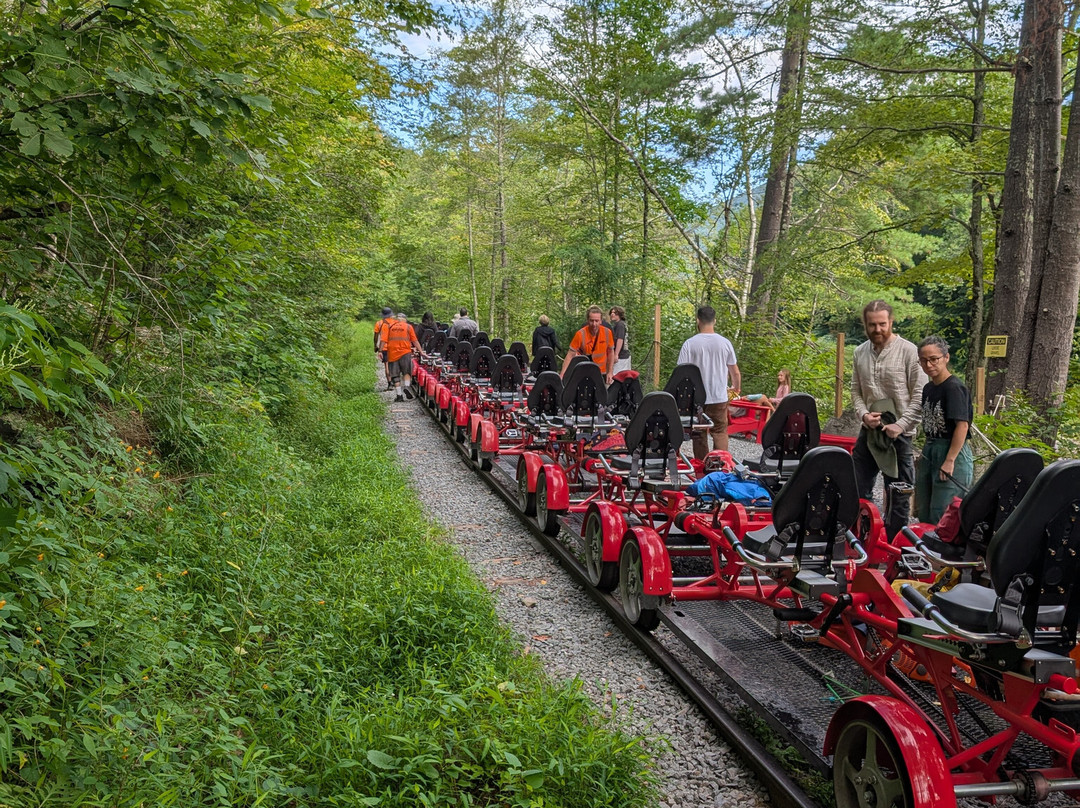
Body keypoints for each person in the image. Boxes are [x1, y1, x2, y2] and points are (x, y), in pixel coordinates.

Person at [850, 300, 927, 540]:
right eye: (872, 325)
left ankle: (895, 546)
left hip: (900, 435)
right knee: (857, 488)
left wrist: (901, 425)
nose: (878, 329)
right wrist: (864, 415)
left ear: (891, 322)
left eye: (882, 324)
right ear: (865, 325)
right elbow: (855, 391)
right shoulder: (859, 352)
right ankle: (862, 540)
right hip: (869, 432)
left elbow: (920, 395)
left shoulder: (909, 351)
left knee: (899, 495)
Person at [914, 336, 973, 524]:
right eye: (923, 360)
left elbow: (962, 425)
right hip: (931, 448)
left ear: (946, 357)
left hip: (951, 450)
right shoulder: (928, 388)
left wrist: (950, 460)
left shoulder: (954, 388)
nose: (929, 364)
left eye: (934, 359)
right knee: (924, 508)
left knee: (942, 512)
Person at [677, 306, 741, 458]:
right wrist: (736, 388)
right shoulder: (725, 343)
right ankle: (721, 464)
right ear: (715, 321)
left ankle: (701, 466)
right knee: (720, 431)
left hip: (696, 398)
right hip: (718, 396)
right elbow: (735, 372)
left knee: (699, 432)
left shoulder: (689, 344)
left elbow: (681, 372)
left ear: (698, 321)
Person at [561, 305, 615, 383]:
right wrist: (562, 374)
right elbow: (570, 355)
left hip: (602, 373)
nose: (594, 324)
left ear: (601, 321)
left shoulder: (607, 333)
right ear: (587, 320)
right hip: (585, 372)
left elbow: (611, 352)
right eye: (591, 321)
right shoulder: (580, 334)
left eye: (597, 321)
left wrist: (610, 372)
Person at [379, 313, 424, 401]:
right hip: (405, 353)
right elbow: (414, 340)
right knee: (406, 372)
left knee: (395, 374)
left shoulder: (389, 326)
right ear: (404, 319)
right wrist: (421, 351)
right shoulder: (408, 327)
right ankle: (406, 387)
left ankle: (399, 395)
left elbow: (383, 340)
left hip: (392, 353)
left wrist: (380, 351)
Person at [374, 306, 393, 390]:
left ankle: (390, 384)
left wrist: (375, 345)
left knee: (387, 365)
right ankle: (396, 381)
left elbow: (376, 336)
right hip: (394, 347)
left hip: (384, 347)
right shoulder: (395, 322)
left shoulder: (379, 323)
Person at [609, 306, 631, 375]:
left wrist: (616, 354)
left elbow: (620, 339)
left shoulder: (620, 325)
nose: (612, 314)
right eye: (611, 313)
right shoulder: (619, 324)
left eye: (615, 313)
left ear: (619, 314)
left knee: (618, 376)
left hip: (621, 356)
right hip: (623, 355)